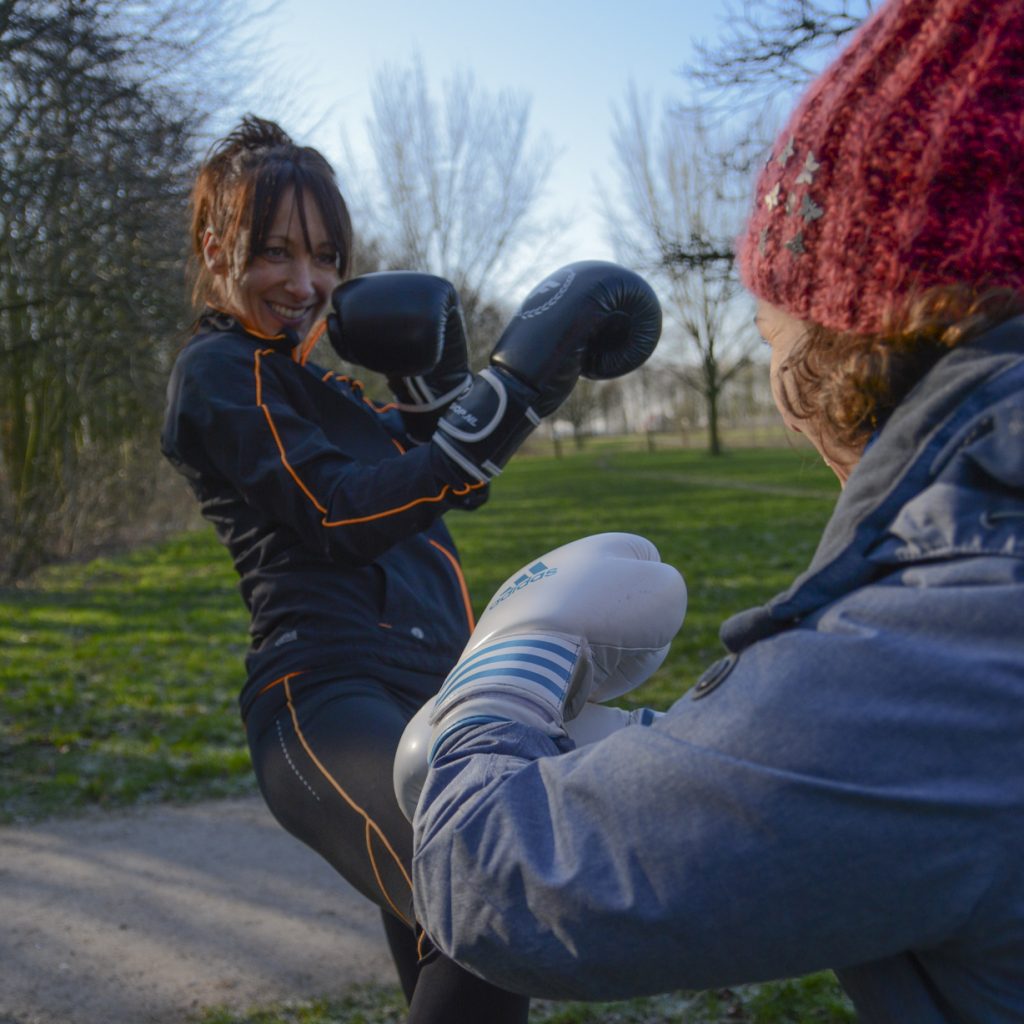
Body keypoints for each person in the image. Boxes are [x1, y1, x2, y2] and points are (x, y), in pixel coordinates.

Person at [397, 1, 1024, 1021]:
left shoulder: (958, 639)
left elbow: (499, 878)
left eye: (774, 330)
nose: (779, 398)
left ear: (850, 338)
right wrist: (676, 759)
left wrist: (503, 666)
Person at [160, 116, 661, 1022]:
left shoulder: (332, 390)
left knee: (472, 952)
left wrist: (456, 397)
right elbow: (339, 509)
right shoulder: (221, 373)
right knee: (491, 906)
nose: (304, 283)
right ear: (214, 248)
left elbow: (432, 482)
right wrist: (487, 421)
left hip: (436, 695)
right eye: (272, 252)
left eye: (324, 255)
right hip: (329, 695)